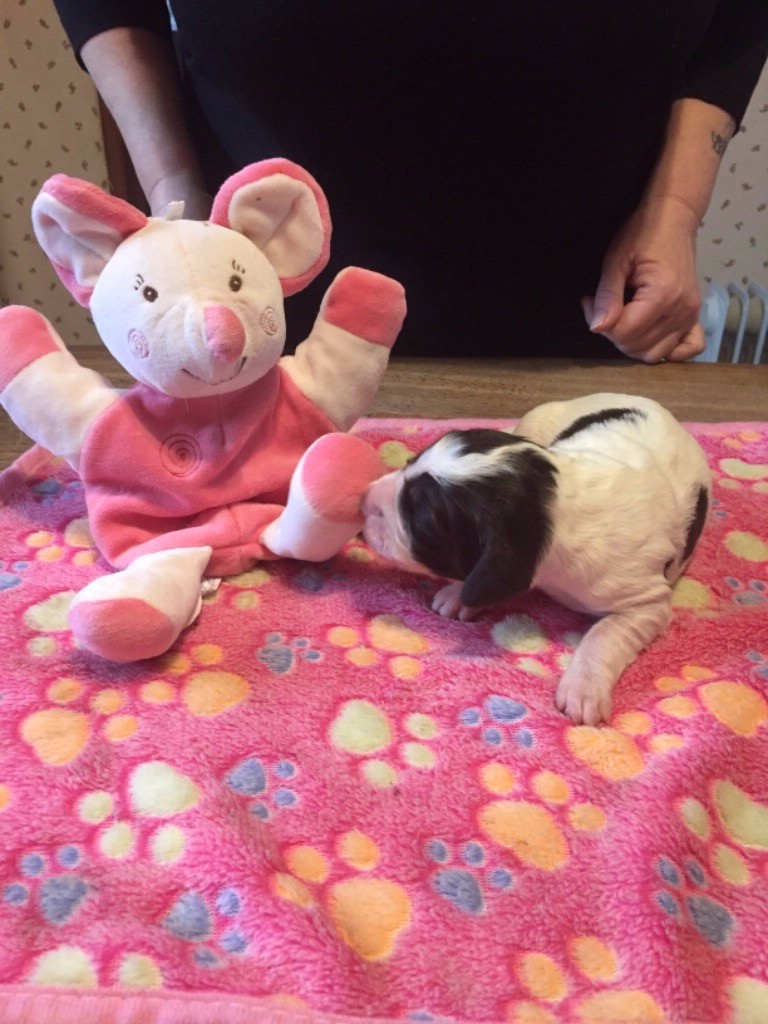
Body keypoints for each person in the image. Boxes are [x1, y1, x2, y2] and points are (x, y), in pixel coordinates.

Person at [52, 2, 768, 362]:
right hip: (262, 302)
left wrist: (674, 209)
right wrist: (176, 195)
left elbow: (738, 21)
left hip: (587, 305)